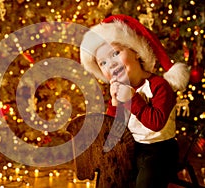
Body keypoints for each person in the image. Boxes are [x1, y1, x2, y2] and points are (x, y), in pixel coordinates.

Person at [80, 14, 190, 188]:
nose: (111, 64)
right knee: (110, 171)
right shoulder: (119, 88)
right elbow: (114, 131)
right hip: (133, 147)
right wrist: (115, 105)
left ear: (136, 52)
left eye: (116, 53)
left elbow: (156, 123)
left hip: (160, 150)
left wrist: (133, 99)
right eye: (103, 62)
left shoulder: (159, 86)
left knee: (145, 181)